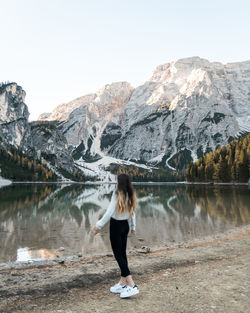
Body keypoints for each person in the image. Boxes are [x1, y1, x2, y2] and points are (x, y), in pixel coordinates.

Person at [93, 173, 139, 298]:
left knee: (118, 255)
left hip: (116, 226)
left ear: (120, 182)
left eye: (117, 180)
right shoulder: (131, 193)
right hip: (125, 225)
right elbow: (133, 211)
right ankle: (122, 283)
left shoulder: (117, 193)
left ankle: (131, 284)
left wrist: (99, 225)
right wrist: (133, 227)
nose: (116, 182)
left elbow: (109, 212)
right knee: (122, 254)